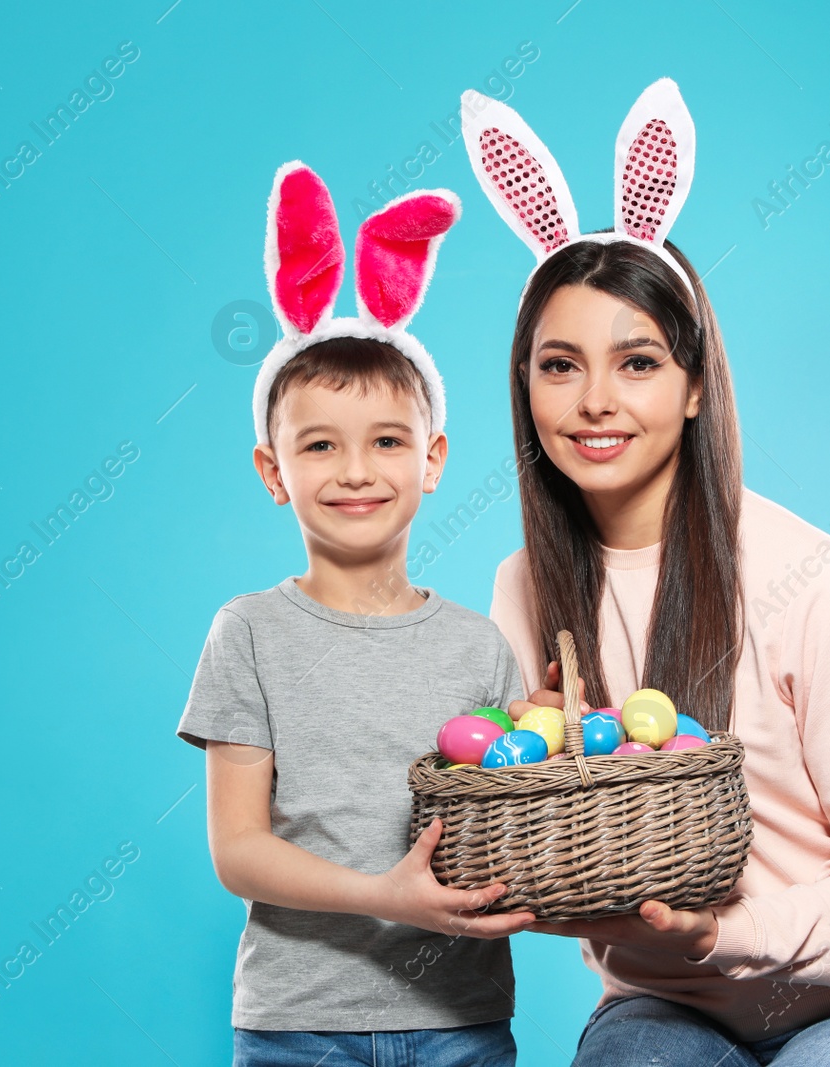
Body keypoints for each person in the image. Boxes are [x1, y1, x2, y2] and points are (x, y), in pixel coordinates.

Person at [460, 80, 830, 1064]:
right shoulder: (521, 590)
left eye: (636, 362)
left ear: (697, 381)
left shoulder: (815, 579)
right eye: (557, 364)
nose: (591, 402)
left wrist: (719, 933)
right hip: (675, 1010)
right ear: (522, 382)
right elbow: (530, 838)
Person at [177, 162, 532, 1067]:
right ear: (273, 471)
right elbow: (240, 850)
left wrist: (552, 730)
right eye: (320, 445)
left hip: (461, 1022)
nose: (356, 470)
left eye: (387, 441)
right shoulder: (248, 632)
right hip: (299, 1025)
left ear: (433, 458)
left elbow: (510, 813)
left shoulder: (479, 647)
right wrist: (388, 894)